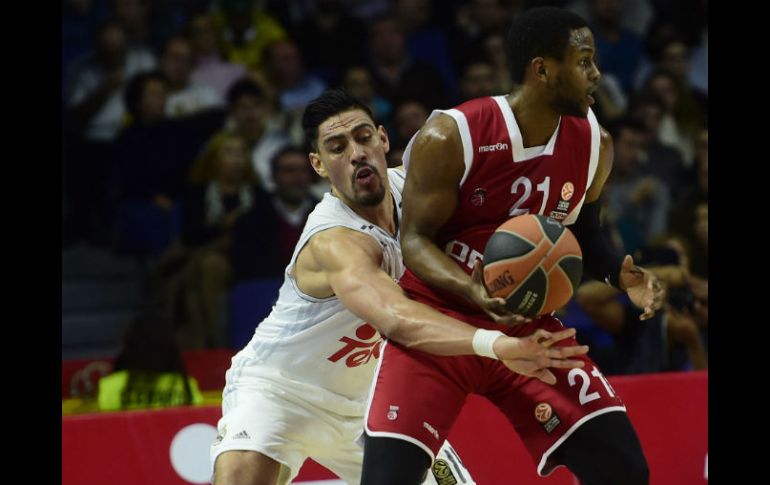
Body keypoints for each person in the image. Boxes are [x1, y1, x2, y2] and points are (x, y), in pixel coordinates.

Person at [210, 88, 591, 485]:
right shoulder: (334, 240)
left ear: (383, 139)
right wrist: (496, 344)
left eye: (362, 138)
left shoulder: (419, 191)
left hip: (371, 399)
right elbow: (396, 318)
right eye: (337, 148)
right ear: (318, 165)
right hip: (281, 392)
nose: (356, 153)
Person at [362, 7, 665, 485]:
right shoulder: (454, 134)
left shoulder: (594, 146)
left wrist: (616, 275)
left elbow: (584, 232)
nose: (596, 74)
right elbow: (414, 240)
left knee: (625, 469)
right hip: (437, 321)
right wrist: (475, 291)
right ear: (542, 69)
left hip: (529, 329)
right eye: (584, 61)